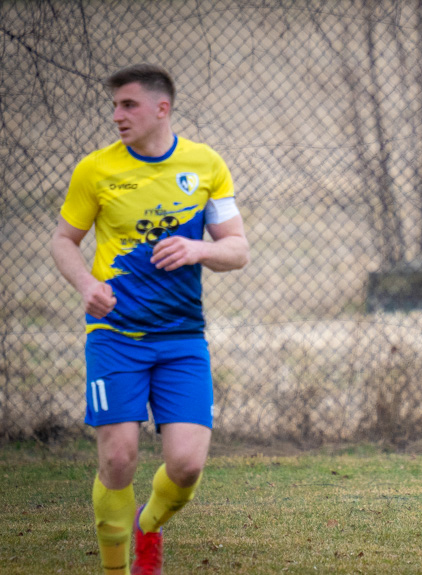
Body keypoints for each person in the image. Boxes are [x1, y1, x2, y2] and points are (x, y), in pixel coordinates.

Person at [50, 63, 250, 574]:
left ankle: (147, 526)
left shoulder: (205, 165)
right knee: (118, 460)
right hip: (115, 335)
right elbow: (64, 240)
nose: (117, 115)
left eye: (129, 104)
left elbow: (238, 250)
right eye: (115, 105)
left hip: (182, 337)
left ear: (162, 108)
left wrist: (196, 248)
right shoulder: (96, 170)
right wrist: (87, 285)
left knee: (186, 465)